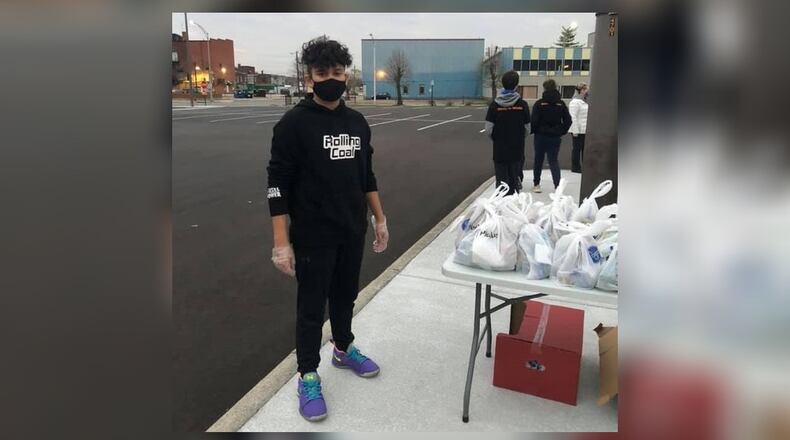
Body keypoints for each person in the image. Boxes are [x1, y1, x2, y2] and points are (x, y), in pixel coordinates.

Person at [266, 36, 388, 422]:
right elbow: (276, 186)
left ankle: (343, 348)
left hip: (352, 229)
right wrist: (281, 243)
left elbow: (366, 176)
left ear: (346, 75)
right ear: (309, 78)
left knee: (345, 297)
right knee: (311, 308)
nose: (331, 78)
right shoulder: (293, 124)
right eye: (322, 73)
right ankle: (307, 374)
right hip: (313, 236)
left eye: (337, 71)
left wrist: (380, 219)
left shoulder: (357, 123)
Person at [484, 70, 531, 195]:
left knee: (501, 182)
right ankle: (513, 201)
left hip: (500, 149)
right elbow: (527, 128)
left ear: (503, 85)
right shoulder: (522, 105)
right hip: (517, 148)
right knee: (514, 180)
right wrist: (519, 137)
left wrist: (497, 138)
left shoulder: (494, 105)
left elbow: (488, 129)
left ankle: (501, 203)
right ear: (516, 86)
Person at [529, 79, 572, 193]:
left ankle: (536, 184)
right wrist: (561, 131)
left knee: (538, 160)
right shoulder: (561, 104)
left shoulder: (539, 104)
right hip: (555, 136)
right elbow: (568, 121)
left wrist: (535, 130)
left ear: (544, 88)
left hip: (541, 136)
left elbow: (534, 121)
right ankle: (557, 186)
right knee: (553, 160)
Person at [568, 82, 589, 173]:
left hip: (585, 130)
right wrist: (575, 131)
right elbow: (573, 117)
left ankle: (586, 167)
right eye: (586, 89)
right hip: (578, 130)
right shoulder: (575, 102)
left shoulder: (584, 101)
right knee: (577, 149)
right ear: (581, 90)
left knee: (585, 149)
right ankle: (575, 167)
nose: (587, 92)